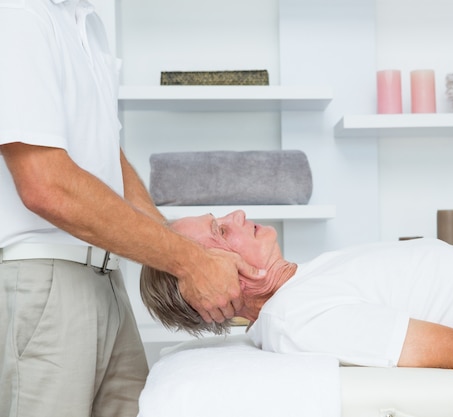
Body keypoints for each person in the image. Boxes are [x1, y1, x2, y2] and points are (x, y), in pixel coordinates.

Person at [0, 2, 262, 417]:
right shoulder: (18, 13)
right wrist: (191, 261)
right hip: (45, 275)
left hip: (106, 276)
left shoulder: (88, 26)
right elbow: (45, 185)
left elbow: (107, 157)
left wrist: (178, 249)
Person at [141, 210, 453, 371]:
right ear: (215, 286)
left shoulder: (300, 286)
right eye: (222, 232)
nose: (239, 216)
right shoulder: (299, 318)